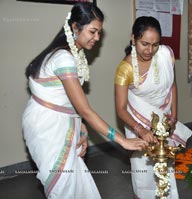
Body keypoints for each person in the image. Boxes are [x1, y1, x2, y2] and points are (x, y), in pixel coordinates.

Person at [22, 3, 148, 199]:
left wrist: (81, 127)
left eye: (99, 32)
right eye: (93, 31)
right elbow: (85, 109)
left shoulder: (74, 55)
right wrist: (123, 141)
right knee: (62, 185)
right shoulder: (63, 58)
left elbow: (68, 101)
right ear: (74, 27)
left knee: (75, 183)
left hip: (61, 122)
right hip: (47, 127)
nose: (97, 38)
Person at [114, 16, 192, 199]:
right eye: (144, 44)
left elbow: (172, 85)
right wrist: (140, 129)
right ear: (133, 39)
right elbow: (121, 109)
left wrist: (173, 117)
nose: (150, 50)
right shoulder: (125, 69)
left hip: (163, 122)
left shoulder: (165, 55)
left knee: (165, 166)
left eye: (155, 44)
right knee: (142, 170)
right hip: (136, 122)